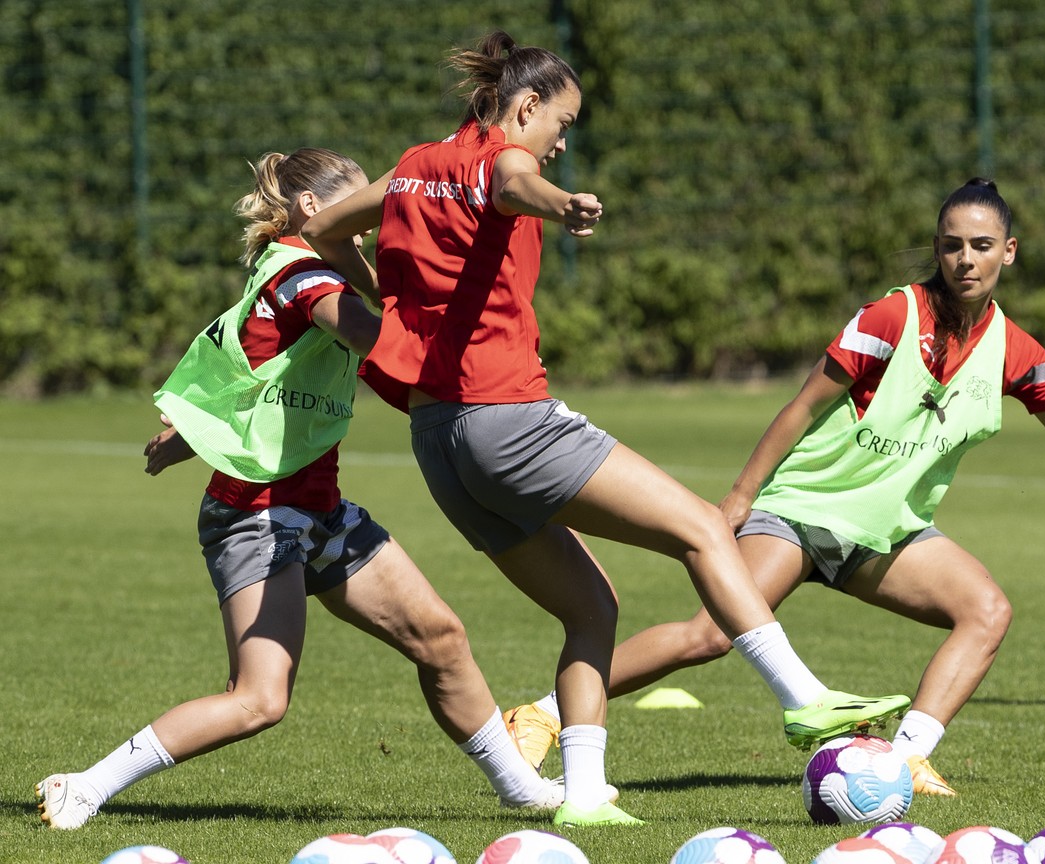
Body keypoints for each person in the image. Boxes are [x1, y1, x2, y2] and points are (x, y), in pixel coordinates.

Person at [300, 31, 909, 827]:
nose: (561, 143)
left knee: (592, 609)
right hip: (510, 420)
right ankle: (804, 699)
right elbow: (517, 182)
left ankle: (585, 799)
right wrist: (566, 206)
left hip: (441, 445)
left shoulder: (413, 164)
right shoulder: (502, 161)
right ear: (524, 107)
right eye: (563, 122)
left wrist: (388, 312)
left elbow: (321, 231)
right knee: (702, 528)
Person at [507, 178, 1045, 796]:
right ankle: (539, 714)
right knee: (709, 636)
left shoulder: (1018, 351)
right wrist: (740, 498)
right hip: (800, 512)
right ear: (936, 248)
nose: (964, 259)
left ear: (1010, 252)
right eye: (951, 244)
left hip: (886, 533)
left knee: (987, 610)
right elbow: (802, 406)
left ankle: (904, 760)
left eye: (980, 245)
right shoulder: (892, 316)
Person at [36, 148, 572, 831]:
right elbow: (380, 342)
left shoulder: (310, 269)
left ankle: (519, 789)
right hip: (254, 518)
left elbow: (255, 374)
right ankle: (83, 785)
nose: (377, 212)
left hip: (319, 511)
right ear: (315, 210)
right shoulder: (302, 278)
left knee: (440, 637)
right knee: (259, 699)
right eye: (363, 199)